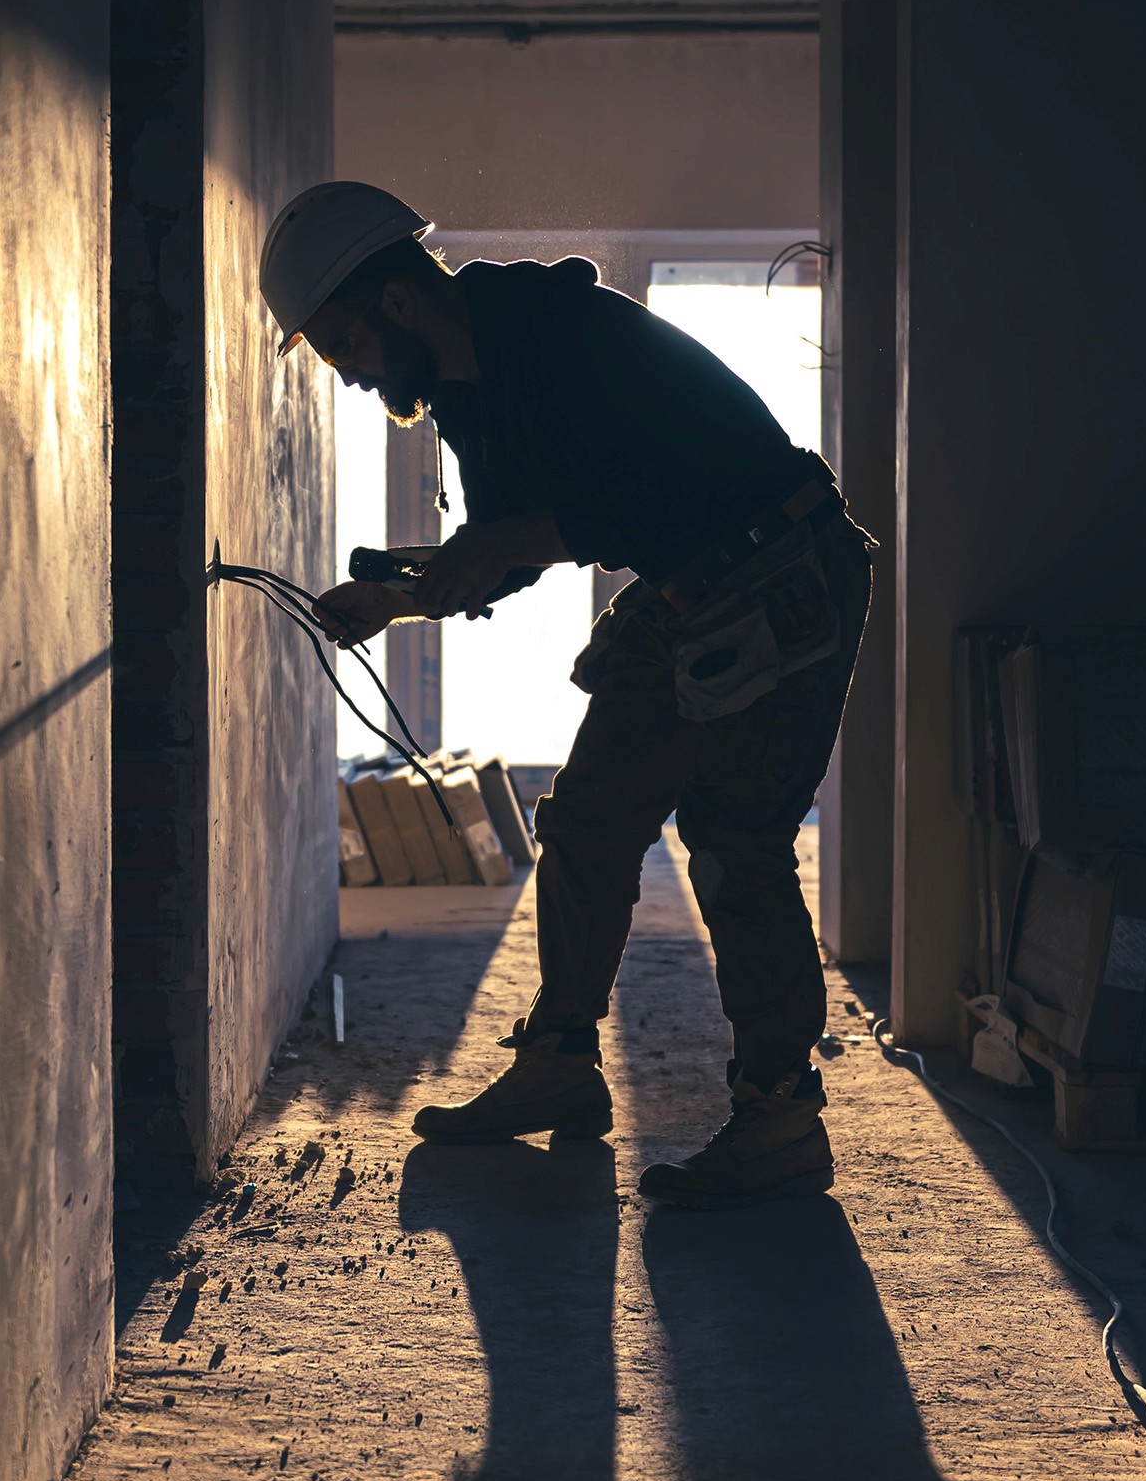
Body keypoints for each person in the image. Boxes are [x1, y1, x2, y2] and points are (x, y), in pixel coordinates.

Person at [259, 179, 873, 1208]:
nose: (351, 376)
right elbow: (516, 545)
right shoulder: (464, 396)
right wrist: (401, 599)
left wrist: (502, 541)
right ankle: (558, 1064)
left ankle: (779, 1116)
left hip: (788, 574)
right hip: (689, 588)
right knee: (585, 819)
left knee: (734, 843)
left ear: (397, 303)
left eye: (341, 347)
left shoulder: (565, 331)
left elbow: (652, 493)